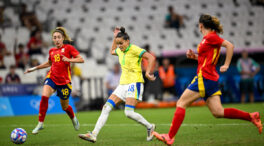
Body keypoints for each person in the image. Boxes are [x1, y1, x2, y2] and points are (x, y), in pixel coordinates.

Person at [153, 14, 262, 146]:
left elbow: (230, 46)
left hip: (204, 78)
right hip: (211, 79)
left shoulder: (211, 37)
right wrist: (194, 56)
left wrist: (227, 64)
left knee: (181, 103)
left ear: (201, 25)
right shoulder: (207, 39)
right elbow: (206, 59)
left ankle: (170, 137)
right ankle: (251, 116)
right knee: (218, 112)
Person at [79, 27, 156, 143]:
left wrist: (147, 72)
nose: (119, 46)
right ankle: (93, 134)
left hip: (134, 83)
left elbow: (151, 58)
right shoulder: (120, 50)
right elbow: (111, 51)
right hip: (122, 85)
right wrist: (115, 38)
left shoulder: (135, 49)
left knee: (128, 113)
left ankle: (150, 127)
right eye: (118, 43)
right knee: (106, 108)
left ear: (127, 41)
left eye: (121, 43)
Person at [24, 27, 84, 134]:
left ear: (63, 38)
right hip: (52, 78)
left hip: (64, 82)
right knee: (44, 96)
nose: (56, 40)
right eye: (54, 37)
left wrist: (69, 59)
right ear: (52, 39)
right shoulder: (51, 51)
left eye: (58, 37)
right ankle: (40, 123)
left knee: (64, 107)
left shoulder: (69, 48)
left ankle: (73, 118)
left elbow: (81, 59)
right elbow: (49, 63)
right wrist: (34, 68)